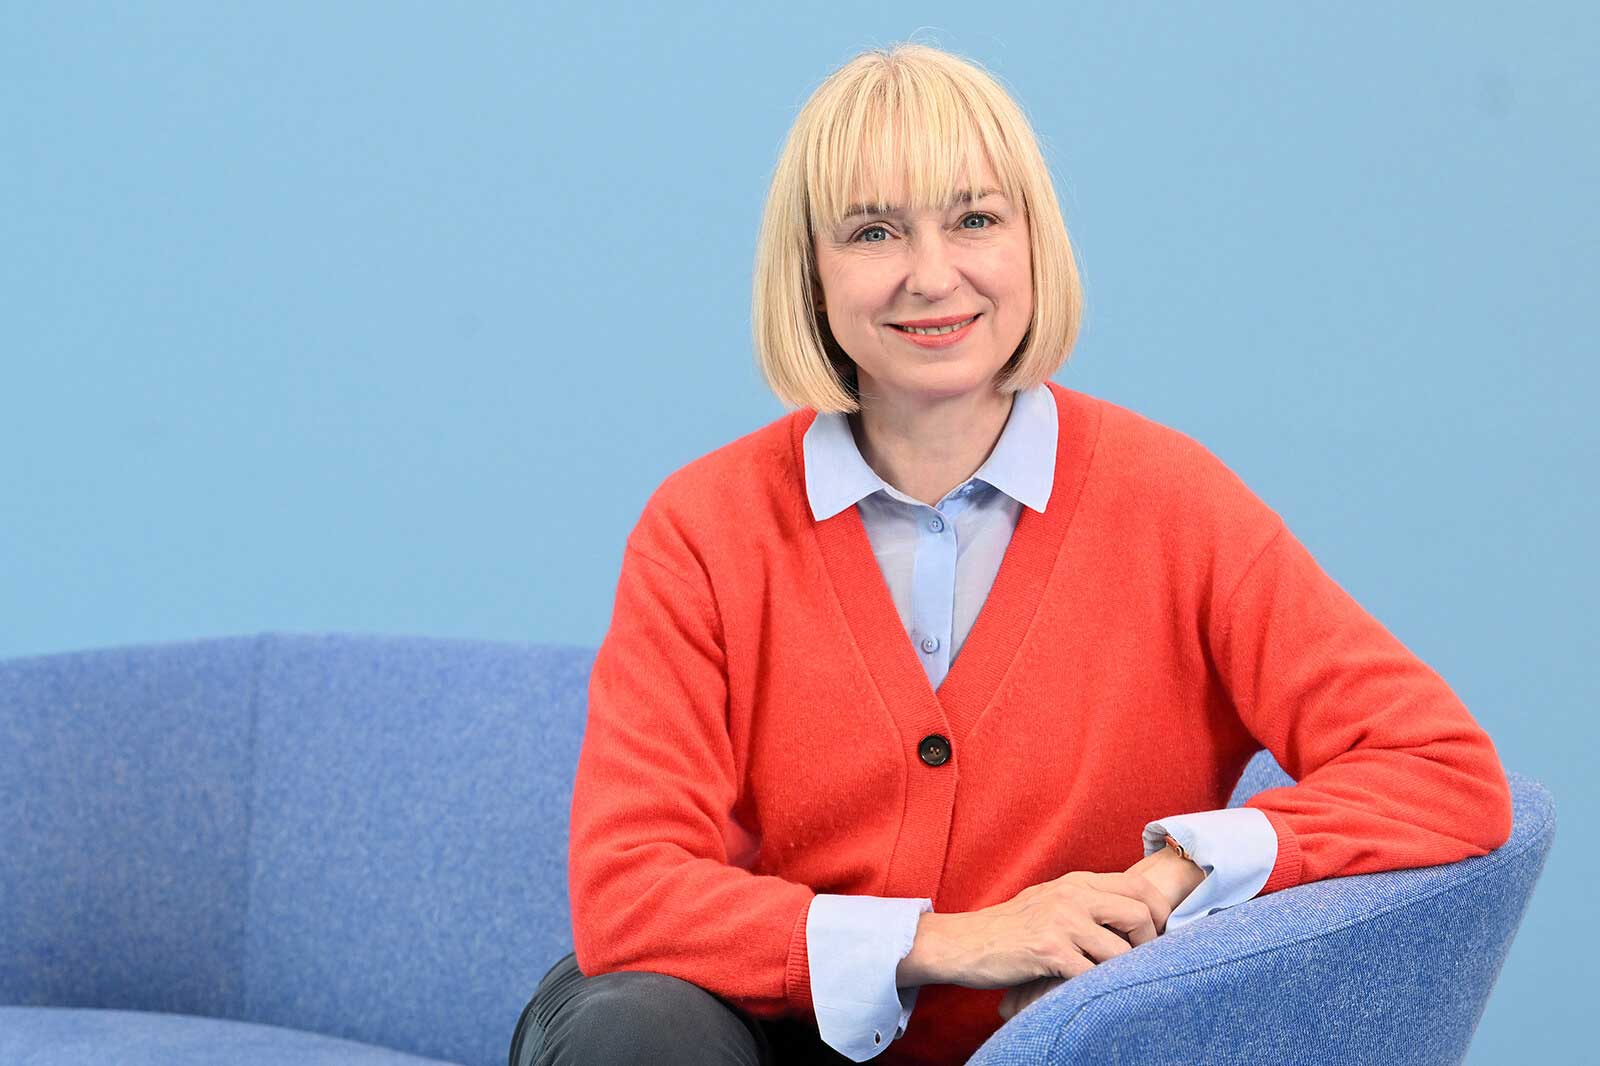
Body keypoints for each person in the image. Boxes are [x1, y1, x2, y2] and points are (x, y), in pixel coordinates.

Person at [510, 40, 1513, 1066]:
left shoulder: (1174, 505)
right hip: (743, 1031)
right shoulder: (703, 527)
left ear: (1034, 243)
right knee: (639, 1029)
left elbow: (1441, 769)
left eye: (974, 219)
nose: (931, 274)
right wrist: (944, 942)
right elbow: (628, 891)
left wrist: (1178, 871)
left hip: (1042, 1047)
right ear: (810, 269)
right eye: (872, 230)